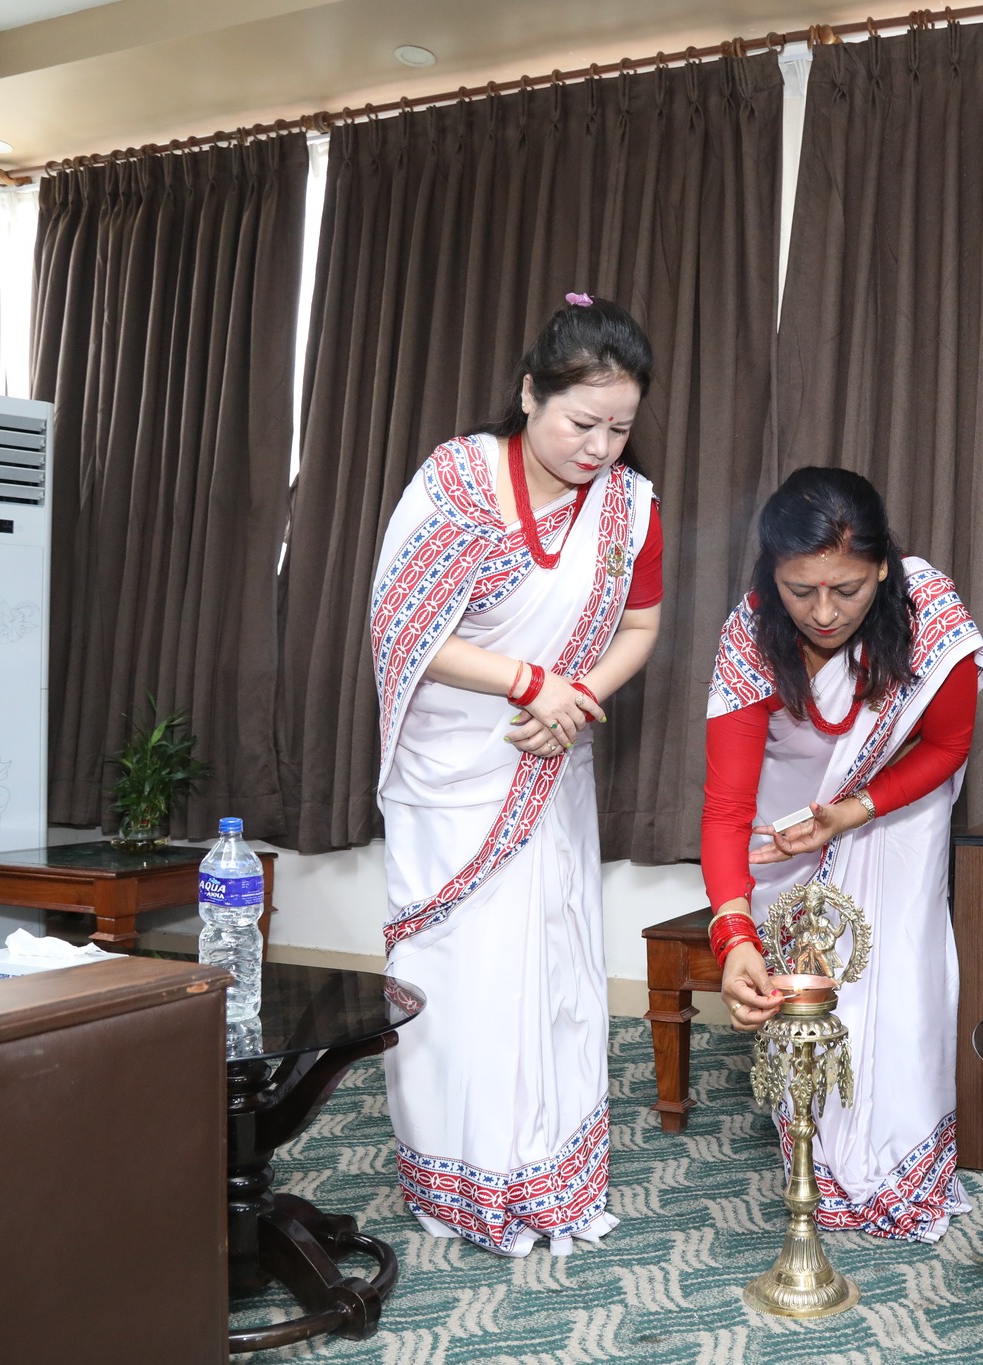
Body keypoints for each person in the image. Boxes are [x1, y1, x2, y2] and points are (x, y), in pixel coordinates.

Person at [369, 294, 663, 1256]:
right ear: (530, 392)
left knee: (547, 962)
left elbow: (641, 628)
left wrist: (575, 698)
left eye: (620, 428)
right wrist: (533, 681)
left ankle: (545, 1169)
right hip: (453, 758)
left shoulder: (628, 507)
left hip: (550, 751)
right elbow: (405, 628)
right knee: (460, 973)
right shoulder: (456, 482)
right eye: (583, 423)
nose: (600, 449)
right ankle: (456, 1175)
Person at [701, 466, 983, 1242]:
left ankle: (897, 1163)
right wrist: (733, 934)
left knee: (895, 990)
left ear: (883, 568)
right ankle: (822, 1163)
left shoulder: (930, 615)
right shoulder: (749, 635)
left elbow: (948, 743)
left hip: (894, 818)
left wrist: (855, 810)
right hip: (786, 831)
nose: (824, 612)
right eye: (801, 590)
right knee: (808, 999)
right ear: (772, 575)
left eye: (847, 589)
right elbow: (726, 808)